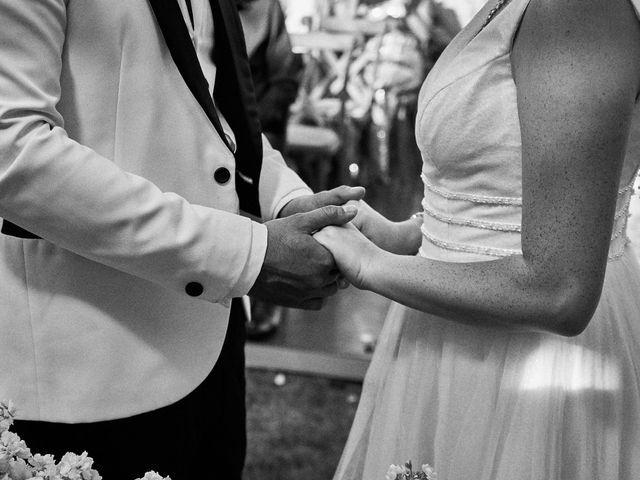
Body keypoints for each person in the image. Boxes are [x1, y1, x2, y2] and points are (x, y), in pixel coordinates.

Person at [0, 0, 364, 479]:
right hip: (94, 361)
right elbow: (14, 150)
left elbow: (206, 110)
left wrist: (288, 200)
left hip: (214, 339)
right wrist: (247, 255)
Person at [314, 0, 640, 478]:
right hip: (454, 336)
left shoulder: (576, 10)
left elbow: (560, 290)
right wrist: (399, 236)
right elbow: (499, 194)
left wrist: (372, 267)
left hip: (530, 369)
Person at [237, 0, 305, 339]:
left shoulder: (268, 10)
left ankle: (266, 300)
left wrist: (250, 126)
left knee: (270, 192)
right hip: (214, 127)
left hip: (262, 123)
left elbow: (285, 78)